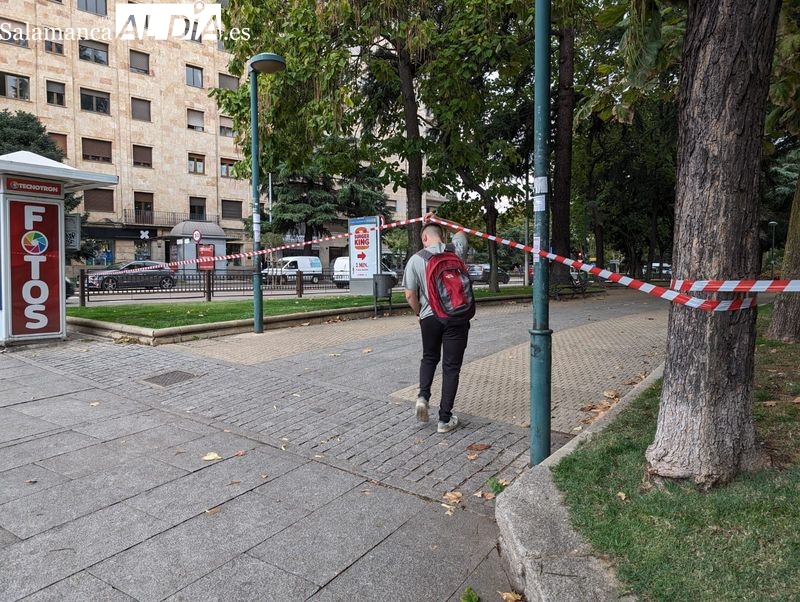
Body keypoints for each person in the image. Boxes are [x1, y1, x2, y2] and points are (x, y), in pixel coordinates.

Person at [403, 221, 471, 433]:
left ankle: (423, 396)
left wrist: (418, 312)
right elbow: (460, 230)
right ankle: (444, 420)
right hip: (457, 316)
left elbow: (409, 295)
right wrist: (441, 220)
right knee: (451, 368)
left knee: (430, 357)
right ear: (441, 235)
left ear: (424, 238)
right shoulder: (456, 251)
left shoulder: (416, 259)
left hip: (429, 317)